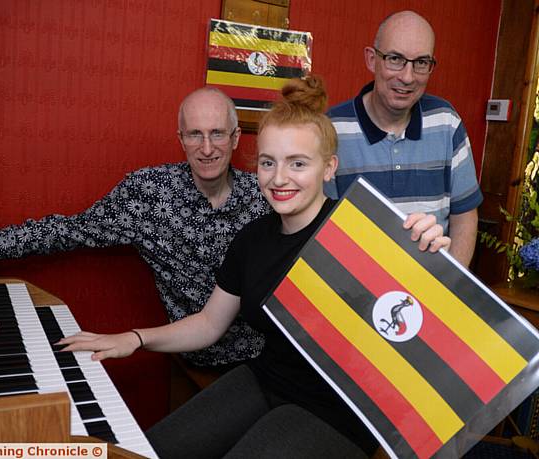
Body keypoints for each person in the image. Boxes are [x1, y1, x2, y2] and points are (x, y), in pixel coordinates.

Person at [59, 76, 451, 458]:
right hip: (265, 378)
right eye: (268, 163)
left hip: (336, 411)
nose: (279, 179)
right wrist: (135, 338)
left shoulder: (358, 235)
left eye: (298, 163)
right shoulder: (252, 238)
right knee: (152, 450)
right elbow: (210, 323)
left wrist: (426, 257)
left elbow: (420, 329)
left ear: (329, 168)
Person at [0, 86, 272, 367]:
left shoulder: (265, 195)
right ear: (180, 139)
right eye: (195, 134)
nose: (206, 148)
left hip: (271, 350)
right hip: (203, 356)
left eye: (217, 133)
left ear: (234, 139)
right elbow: (74, 230)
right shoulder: (148, 193)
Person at [326, 10, 481, 268]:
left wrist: (452, 288)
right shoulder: (331, 129)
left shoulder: (446, 121)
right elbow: (320, 226)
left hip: (431, 287)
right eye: (395, 59)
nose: (408, 77)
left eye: (421, 63)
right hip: (353, 288)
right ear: (372, 59)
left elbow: (464, 215)